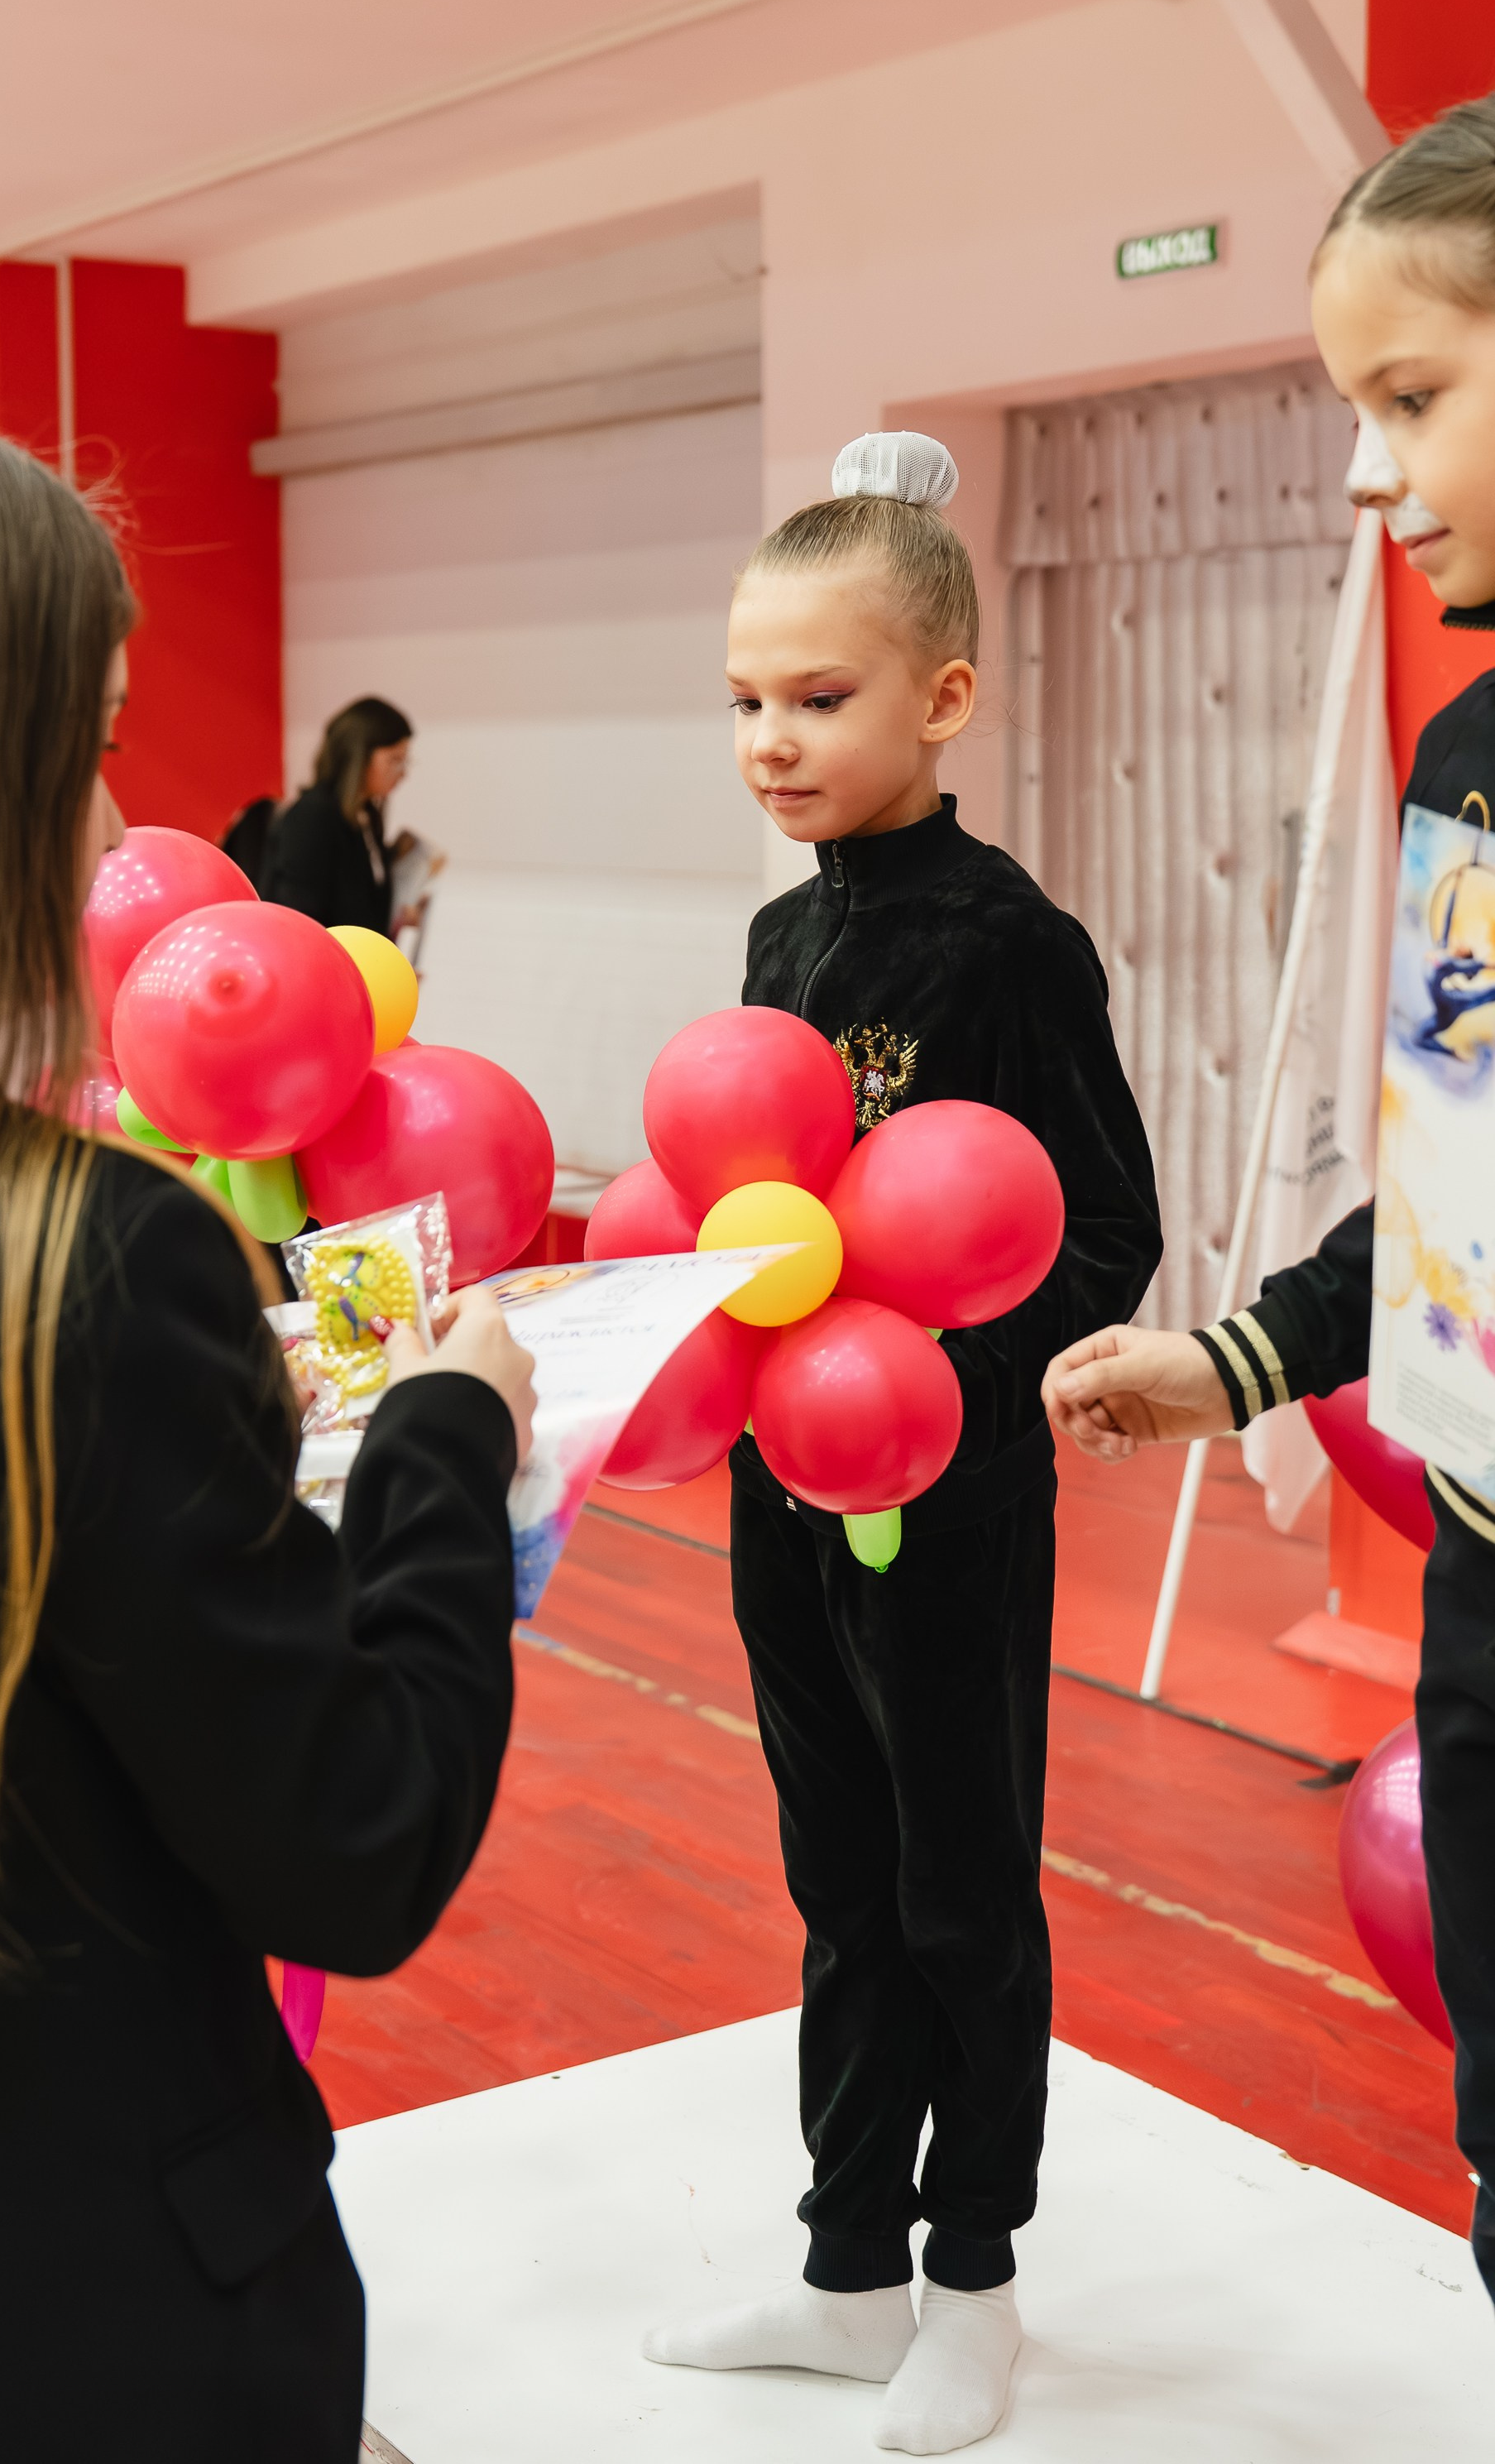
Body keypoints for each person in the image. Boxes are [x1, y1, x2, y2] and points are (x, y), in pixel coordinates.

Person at [0, 396, 534, 2461]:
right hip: (86, 2307)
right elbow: (354, 1841)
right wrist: (434, 1440)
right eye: (87, 738)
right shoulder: (83, 1261)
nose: (116, 813)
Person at [643, 432, 1161, 2453]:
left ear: (942, 698)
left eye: (818, 697)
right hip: (785, 1482)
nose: (771, 740)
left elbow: (1101, 1218)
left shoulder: (1005, 941)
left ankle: (972, 2280)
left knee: (959, 1886)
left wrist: (950, 1366)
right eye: (746, 702)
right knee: (835, 1877)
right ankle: (846, 2258)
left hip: (947, 1501)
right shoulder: (785, 941)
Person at [1040, 93, 1495, 2318]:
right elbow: (1448, 1190)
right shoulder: (1466, 763)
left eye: (1414, 397)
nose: (1361, 476)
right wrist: (1229, 1362)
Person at [261, 695, 414, 931]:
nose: (403, 773)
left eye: (405, 761)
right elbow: (301, 919)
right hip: (328, 963)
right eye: (394, 760)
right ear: (358, 756)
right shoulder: (313, 816)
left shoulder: (368, 815)